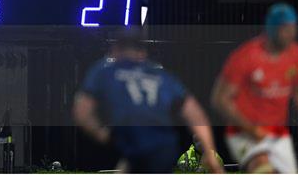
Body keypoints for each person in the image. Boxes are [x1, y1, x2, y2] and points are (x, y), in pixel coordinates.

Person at [73, 29, 223, 173]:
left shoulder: (104, 71)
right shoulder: (161, 76)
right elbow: (195, 114)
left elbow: (82, 110)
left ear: (115, 49)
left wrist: (102, 134)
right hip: (164, 144)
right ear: (143, 53)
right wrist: (210, 152)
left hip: (132, 138)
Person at [211, 3, 298, 173]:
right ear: (271, 28)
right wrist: (251, 129)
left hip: (277, 132)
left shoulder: (296, 55)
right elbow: (219, 99)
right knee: (263, 168)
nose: (291, 34)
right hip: (242, 131)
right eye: (285, 29)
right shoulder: (245, 57)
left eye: (293, 28)